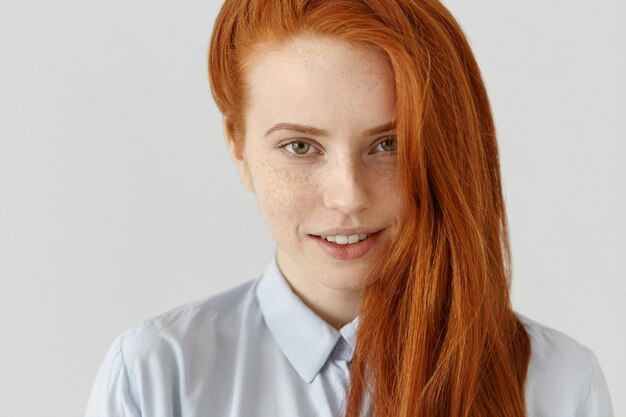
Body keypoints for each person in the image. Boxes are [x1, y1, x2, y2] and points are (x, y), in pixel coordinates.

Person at [85, 1, 614, 416]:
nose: (349, 196)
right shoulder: (156, 377)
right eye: (300, 147)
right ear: (238, 148)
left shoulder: (558, 383)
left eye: (388, 144)